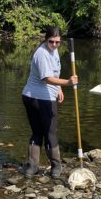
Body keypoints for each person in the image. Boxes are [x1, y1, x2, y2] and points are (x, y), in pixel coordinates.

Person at [21, 26, 78, 178]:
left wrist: (59, 88)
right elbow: (46, 78)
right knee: (47, 132)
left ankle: (36, 167)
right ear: (46, 39)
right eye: (51, 41)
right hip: (36, 98)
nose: (54, 45)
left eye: (57, 42)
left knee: (43, 132)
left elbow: (54, 72)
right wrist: (67, 82)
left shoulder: (54, 51)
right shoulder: (42, 53)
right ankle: (51, 167)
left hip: (44, 96)